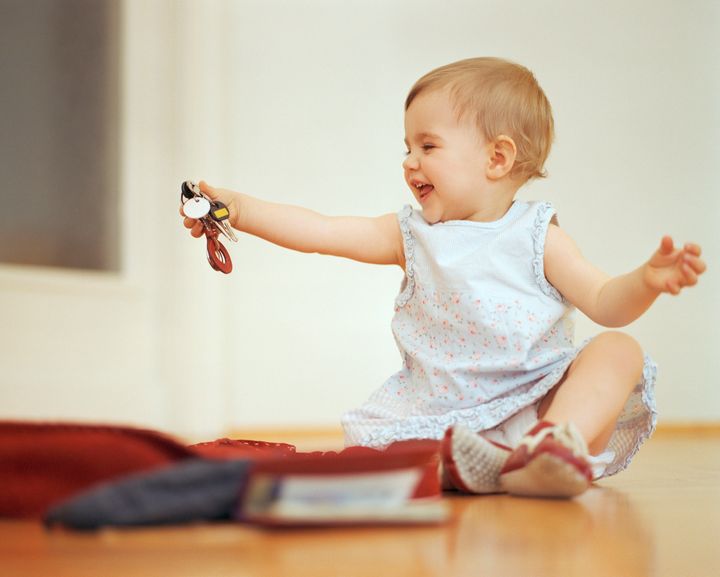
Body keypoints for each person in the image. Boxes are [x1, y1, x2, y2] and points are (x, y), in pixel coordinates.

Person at [181, 57, 706, 498]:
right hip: (441, 417)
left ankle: (548, 448)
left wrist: (645, 280)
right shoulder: (410, 235)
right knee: (385, 462)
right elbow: (322, 230)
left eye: (427, 146)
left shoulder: (537, 234)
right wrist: (241, 209)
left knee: (618, 348)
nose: (410, 163)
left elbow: (606, 301)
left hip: (537, 401)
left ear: (497, 157)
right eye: (407, 148)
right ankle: (473, 466)